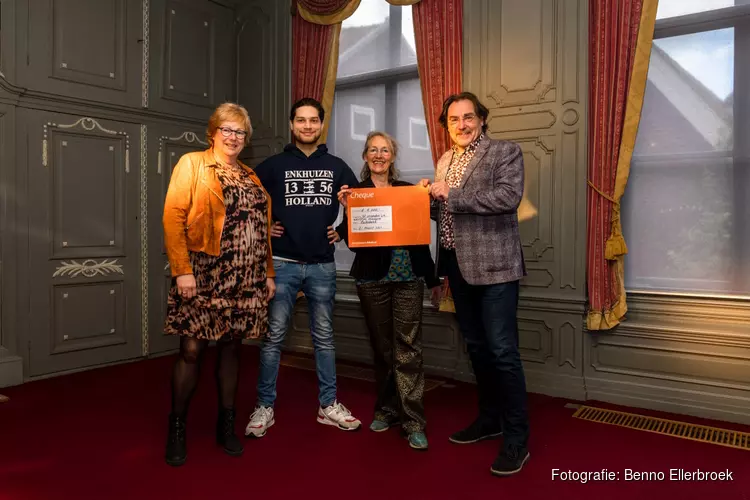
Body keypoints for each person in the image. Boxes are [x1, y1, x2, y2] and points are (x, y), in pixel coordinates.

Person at [162, 102, 275, 466]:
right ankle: (176, 426)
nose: (233, 137)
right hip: (203, 273)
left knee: (231, 349)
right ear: (212, 132)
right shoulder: (193, 164)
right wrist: (182, 270)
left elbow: (262, 231)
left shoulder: (251, 176)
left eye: (240, 132)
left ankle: (226, 425)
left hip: (246, 277)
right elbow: (173, 217)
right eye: (226, 129)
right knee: (191, 350)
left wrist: (268, 274)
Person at [424, 91, 531, 476]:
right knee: (478, 349)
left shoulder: (505, 151)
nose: (462, 125)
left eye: (469, 117)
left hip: (497, 267)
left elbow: (507, 197)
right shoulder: (446, 159)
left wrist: (451, 193)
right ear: (446, 126)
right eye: (454, 120)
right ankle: (490, 420)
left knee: (503, 351)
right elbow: (447, 214)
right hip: (457, 266)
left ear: (482, 119)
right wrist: (428, 198)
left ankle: (517, 438)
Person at [245, 97, 361, 437]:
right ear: (292, 125)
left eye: (313, 120)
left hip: (322, 266)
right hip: (281, 264)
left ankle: (328, 405)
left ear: (321, 124)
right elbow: (245, 202)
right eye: (301, 120)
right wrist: (265, 228)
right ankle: (264, 406)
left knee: (324, 339)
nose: (307, 126)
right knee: (273, 338)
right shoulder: (272, 166)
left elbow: (363, 204)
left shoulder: (337, 166)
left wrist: (340, 231)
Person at [336, 131, 442, 451]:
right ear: (365, 157)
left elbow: (429, 226)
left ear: (392, 156)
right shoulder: (357, 193)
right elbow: (350, 240)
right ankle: (387, 409)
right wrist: (345, 208)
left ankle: (413, 421)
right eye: (373, 150)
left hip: (409, 276)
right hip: (372, 279)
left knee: (408, 348)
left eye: (385, 150)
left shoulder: (410, 192)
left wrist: (431, 195)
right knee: (383, 349)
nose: (379, 155)